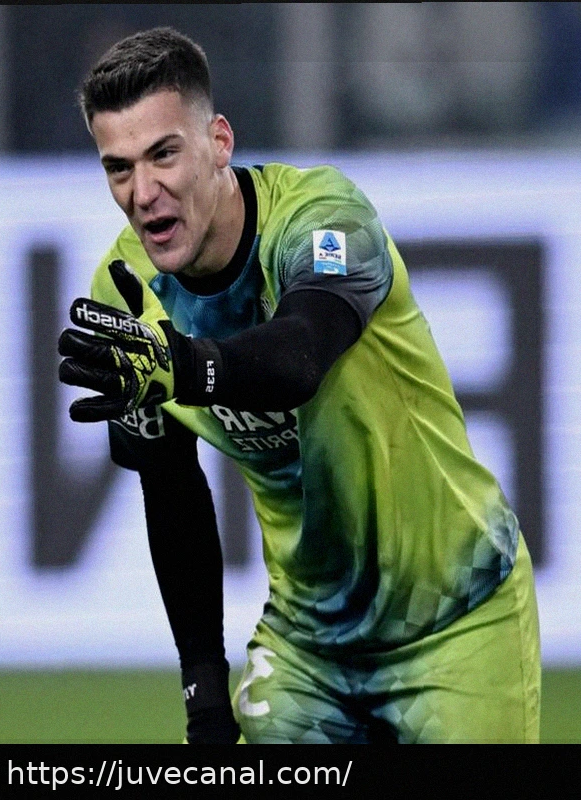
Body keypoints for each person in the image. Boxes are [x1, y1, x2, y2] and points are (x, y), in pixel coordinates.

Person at [57, 26, 540, 744]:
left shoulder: (323, 219)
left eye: (164, 154)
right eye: (118, 168)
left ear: (219, 142)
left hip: (458, 617)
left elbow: (302, 353)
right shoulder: (126, 291)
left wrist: (187, 367)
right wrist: (204, 696)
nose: (144, 192)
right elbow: (171, 490)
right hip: (307, 649)